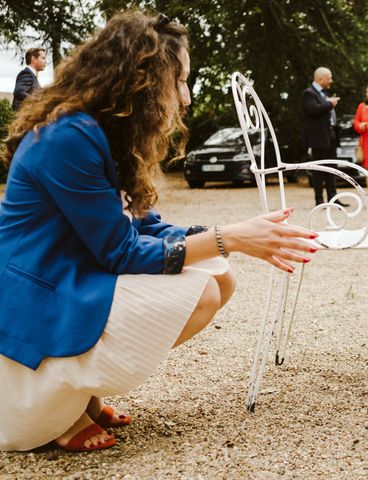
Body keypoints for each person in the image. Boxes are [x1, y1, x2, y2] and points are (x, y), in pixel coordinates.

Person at [0, 12, 317, 453]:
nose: (185, 98)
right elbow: (120, 252)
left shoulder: (105, 132)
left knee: (218, 272)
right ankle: (57, 402)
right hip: (38, 292)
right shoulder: (67, 137)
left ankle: (84, 391)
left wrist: (230, 238)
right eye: (180, 80)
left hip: (70, 275)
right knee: (207, 286)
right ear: (142, 79)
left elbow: (144, 223)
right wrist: (231, 237)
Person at [301, 67, 348, 207]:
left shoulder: (323, 93)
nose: (331, 81)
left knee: (332, 168)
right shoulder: (308, 93)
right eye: (329, 78)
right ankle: (319, 199)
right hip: (318, 138)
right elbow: (313, 110)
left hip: (331, 135)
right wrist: (330, 104)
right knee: (319, 169)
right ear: (320, 79)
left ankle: (333, 198)